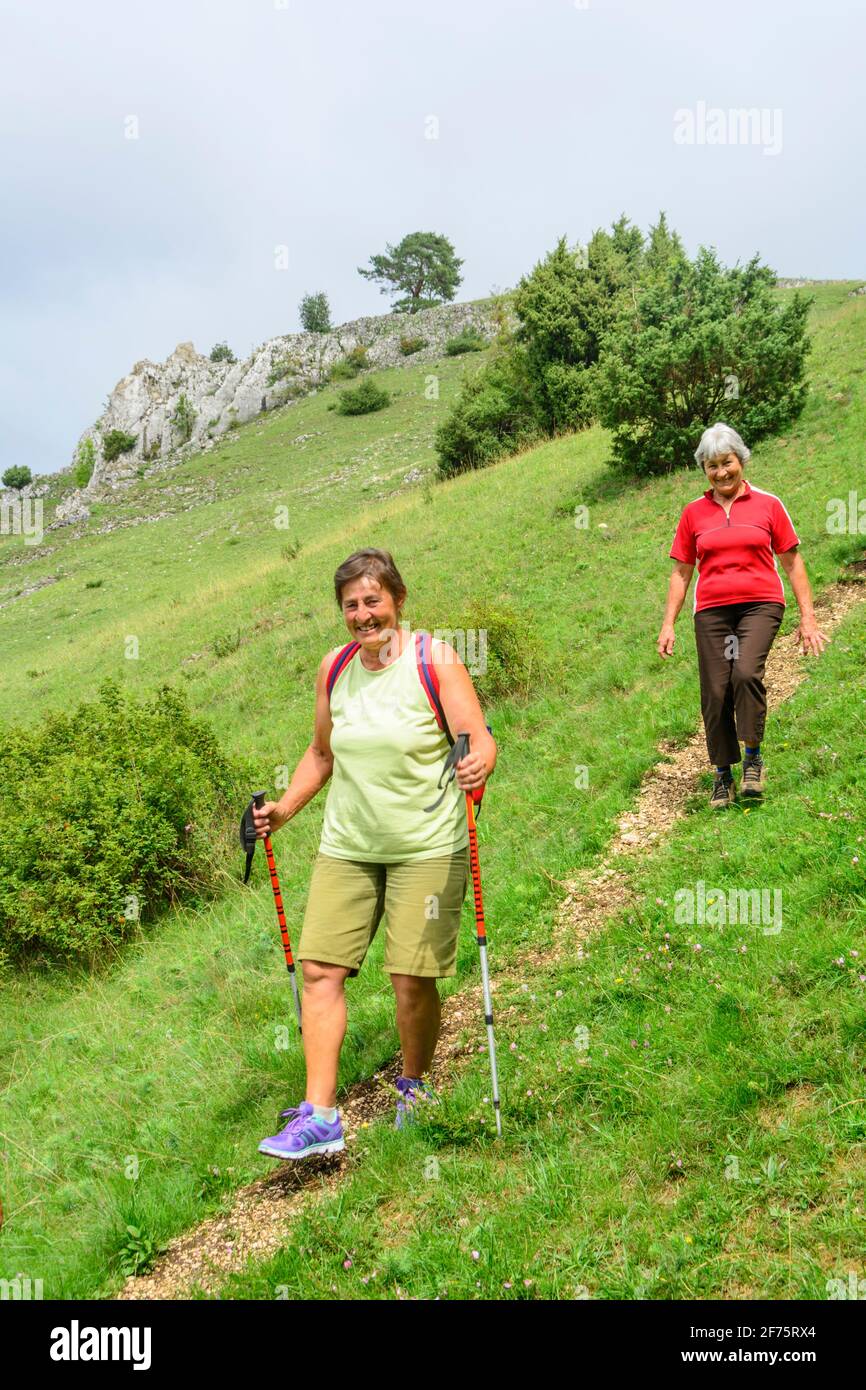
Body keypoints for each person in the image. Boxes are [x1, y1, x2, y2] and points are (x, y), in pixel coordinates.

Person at [252, 548, 496, 1159]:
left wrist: (478, 762)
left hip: (427, 845)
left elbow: (479, 735)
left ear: (398, 600)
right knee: (319, 970)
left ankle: (413, 1087)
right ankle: (321, 1116)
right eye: (351, 605)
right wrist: (284, 810)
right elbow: (322, 755)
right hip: (348, 845)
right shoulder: (334, 668)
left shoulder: (432, 658)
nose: (363, 615)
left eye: (372, 601)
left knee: (410, 980)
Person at [657, 422, 829, 808]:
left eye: (727, 462)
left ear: (741, 460)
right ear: (704, 469)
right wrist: (668, 623)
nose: (721, 472)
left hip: (761, 604)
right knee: (716, 691)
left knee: (746, 672)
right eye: (712, 466)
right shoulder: (693, 514)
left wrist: (808, 616)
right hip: (713, 612)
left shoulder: (768, 504)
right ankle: (722, 774)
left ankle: (752, 758)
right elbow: (681, 571)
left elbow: (792, 561)